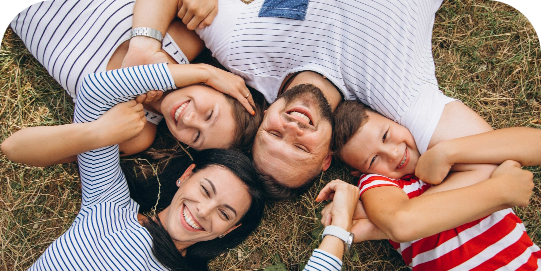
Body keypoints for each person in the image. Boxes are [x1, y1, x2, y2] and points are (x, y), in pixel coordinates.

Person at [122, 0, 497, 201]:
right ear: (326, 160)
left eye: (274, 135)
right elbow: (489, 163)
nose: (294, 127)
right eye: (301, 148)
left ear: (263, 115)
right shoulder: (399, 101)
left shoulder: (243, 53)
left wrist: (144, 43)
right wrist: (397, 220)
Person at [16, 63, 266, 270]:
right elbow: (96, 90)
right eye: (205, 190)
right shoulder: (110, 206)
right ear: (186, 176)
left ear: (229, 230)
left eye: (224, 214)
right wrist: (205, 73)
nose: (204, 211)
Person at [7, 0, 262, 167]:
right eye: (209, 114)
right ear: (218, 86)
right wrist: (201, 71)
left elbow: (15, 148)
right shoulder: (187, 39)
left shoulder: (136, 132)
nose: (189, 121)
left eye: (196, 137)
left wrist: (98, 132)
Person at [325, 100, 540, 269]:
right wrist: (500, 190)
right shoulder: (377, 181)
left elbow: (534, 145)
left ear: (396, 119)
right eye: (373, 160)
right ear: (359, 171)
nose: (393, 153)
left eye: (386, 135)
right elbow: (401, 221)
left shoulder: (443, 142)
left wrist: (448, 152)